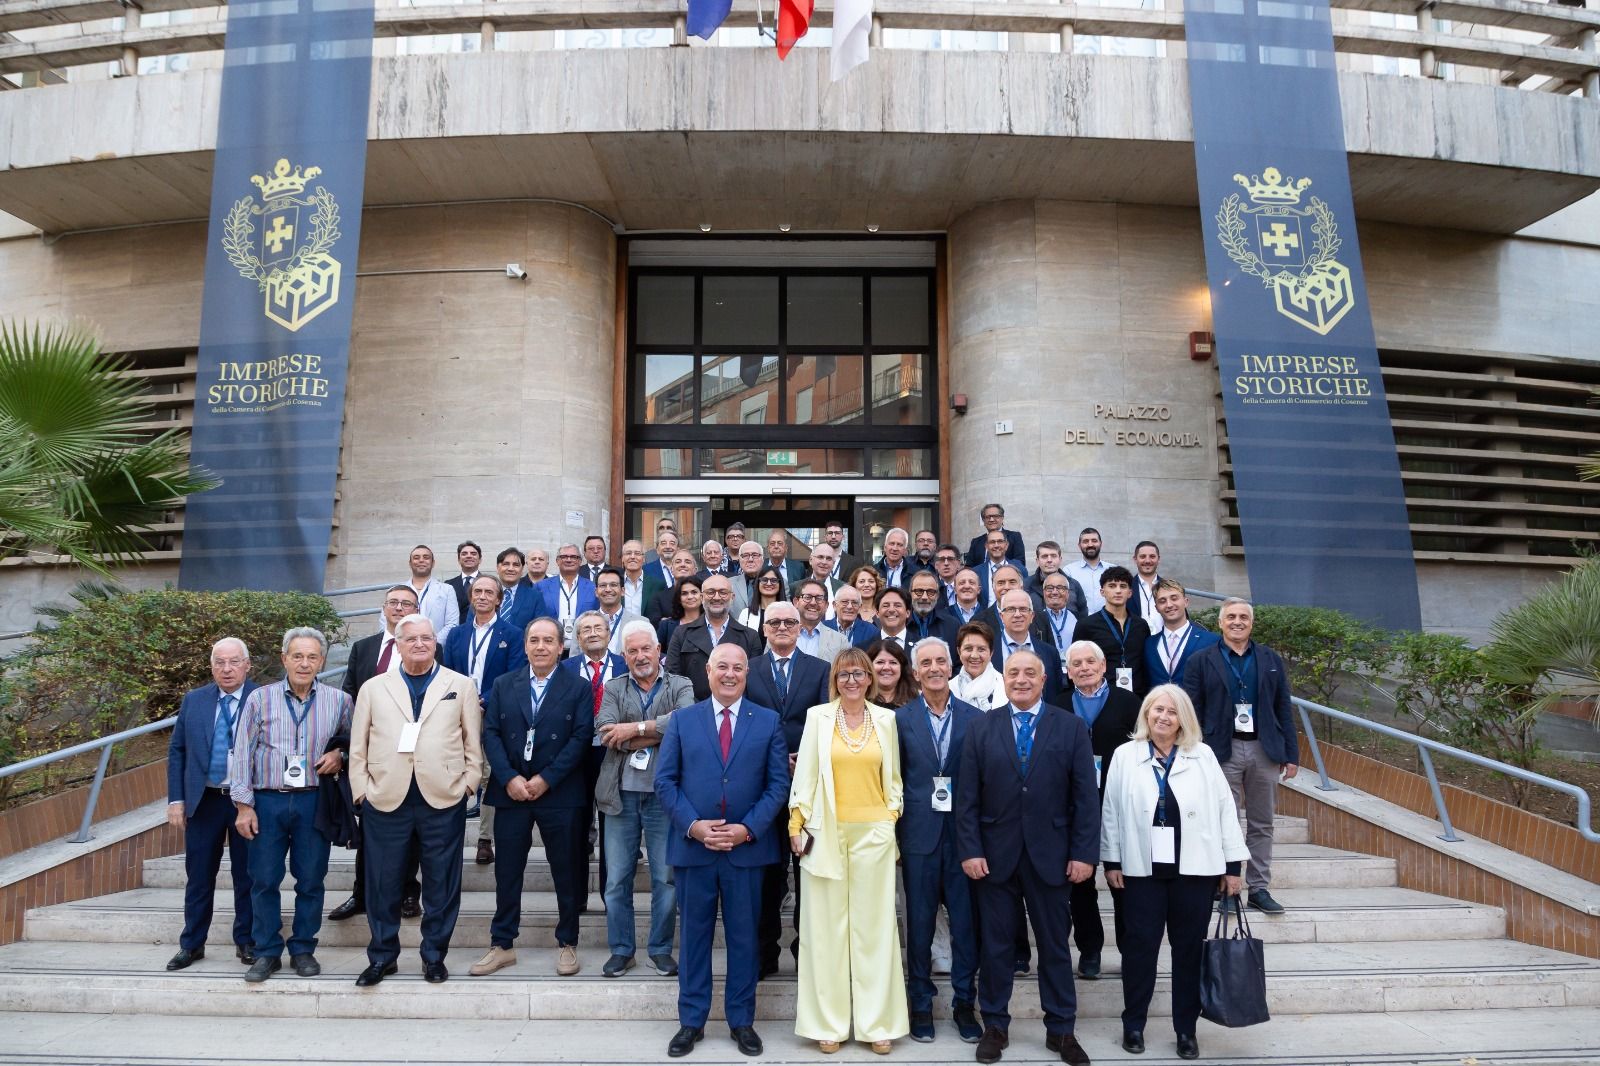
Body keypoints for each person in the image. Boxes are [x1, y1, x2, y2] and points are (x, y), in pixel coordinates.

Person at [956, 650, 1099, 1066]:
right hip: (994, 859)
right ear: (1005, 680)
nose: (1021, 680)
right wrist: (971, 850)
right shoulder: (981, 728)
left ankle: (1061, 1031)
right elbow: (966, 798)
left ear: (1044, 680)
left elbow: (1085, 799)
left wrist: (1084, 854)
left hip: (1052, 858)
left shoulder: (1070, 727)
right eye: (1014, 673)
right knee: (997, 947)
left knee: (1055, 946)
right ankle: (995, 1026)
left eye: (1029, 674)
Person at [655, 644, 790, 1059]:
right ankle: (691, 1022)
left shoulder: (767, 721)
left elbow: (778, 785)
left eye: (738, 668)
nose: (729, 675)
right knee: (694, 938)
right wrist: (694, 826)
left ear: (746, 673)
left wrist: (747, 829)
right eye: (722, 667)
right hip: (695, 849)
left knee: (744, 939)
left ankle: (741, 1021)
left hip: (745, 851)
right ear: (708, 671)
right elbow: (665, 782)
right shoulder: (683, 720)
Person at [1102, 685, 1247, 1060]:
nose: (1163, 717)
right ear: (1146, 714)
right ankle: (1133, 1024)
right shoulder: (1124, 754)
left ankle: (1186, 1029)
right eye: (1156, 710)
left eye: (1171, 711)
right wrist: (1112, 860)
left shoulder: (1202, 755)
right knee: (1139, 951)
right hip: (1141, 871)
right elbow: (1111, 811)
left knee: (1188, 954)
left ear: (1183, 718)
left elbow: (1224, 810)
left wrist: (1232, 867)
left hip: (1195, 872)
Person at [349, 614, 483, 986]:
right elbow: (357, 745)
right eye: (412, 639)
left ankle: (434, 955)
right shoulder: (374, 687)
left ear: (435, 642)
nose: (420, 644)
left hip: (442, 797)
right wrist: (361, 788)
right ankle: (382, 956)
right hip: (386, 796)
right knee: (382, 882)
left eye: (426, 638)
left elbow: (474, 741)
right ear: (399, 642)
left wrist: (469, 783)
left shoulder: (460, 685)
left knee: (442, 882)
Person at [788, 648, 908, 1055]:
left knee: (875, 931)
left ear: (871, 679)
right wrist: (795, 823)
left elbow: (893, 779)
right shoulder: (817, 717)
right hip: (825, 833)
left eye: (859, 674)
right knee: (824, 932)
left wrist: (890, 817)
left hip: (873, 835)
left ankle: (878, 1023)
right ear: (835, 679)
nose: (852, 681)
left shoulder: (887, 720)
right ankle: (829, 1023)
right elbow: (804, 774)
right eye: (844, 674)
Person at [229, 627, 352, 983]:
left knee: (311, 878)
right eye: (297, 655)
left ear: (322, 662)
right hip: (267, 801)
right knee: (264, 879)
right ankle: (266, 951)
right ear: (284, 658)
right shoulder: (259, 699)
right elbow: (241, 754)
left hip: (315, 801)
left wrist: (339, 755)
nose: (304, 663)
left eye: (312, 656)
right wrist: (243, 806)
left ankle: (302, 949)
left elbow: (356, 741)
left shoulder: (339, 701)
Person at [473, 617, 593, 979]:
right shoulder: (503, 683)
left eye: (548, 641)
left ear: (561, 647)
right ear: (525, 646)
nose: (541, 647)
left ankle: (567, 942)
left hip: (560, 791)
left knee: (566, 870)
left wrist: (546, 778)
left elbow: (581, 736)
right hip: (511, 792)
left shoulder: (578, 686)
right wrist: (508, 778)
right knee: (508, 871)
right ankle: (502, 944)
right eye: (534, 640)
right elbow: (490, 732)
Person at [1182, 597, 1298, 916]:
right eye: (1230, 616)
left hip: (1264, 748)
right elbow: (1191, 709)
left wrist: (1291, 754)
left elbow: (1282, 709)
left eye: (1243, 617)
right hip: (1222, 750)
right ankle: (1227, 888)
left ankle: (1259, 888)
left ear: (1251, 623)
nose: (1237, 621)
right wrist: (1195, 750)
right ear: (1220, 623)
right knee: (1225, 821)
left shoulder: (1270, 659)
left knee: (1262, 822)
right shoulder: (1201, 660)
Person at [594, 620, 697, 978]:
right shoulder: (613, 687)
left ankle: (659, 949)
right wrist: (657, 733)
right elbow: (605, 731)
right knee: (615, 880)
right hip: (619, 796)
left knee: (664, 879)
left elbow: (686, 723)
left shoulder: (681, 684)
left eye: (646, 649)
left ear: (658, 651)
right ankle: (621, 950)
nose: (640, 656)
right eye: (633, 651)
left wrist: (634, 730)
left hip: (664, 798)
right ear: (625, 656)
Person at [897, 638, 984, 1045]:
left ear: (951, 667)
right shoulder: (899, 720)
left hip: (964, 839)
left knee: (966, 926)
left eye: (940, 661)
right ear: (915, 672)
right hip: (918, 837)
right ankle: (920, 1002)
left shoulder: (976, 718)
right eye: (925, 662)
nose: (934, 668)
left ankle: (965, 1003)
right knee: (919, 925)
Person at [743, 601, 832, 978]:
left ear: (801, 628)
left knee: (807, 874)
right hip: (762, 786)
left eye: (789, 622)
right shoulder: (749, 669)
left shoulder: (820, 669)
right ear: (764, 628)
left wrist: (804, 759)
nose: (781, 627)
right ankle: (765, 954)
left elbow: (827, 721)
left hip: (808, 788)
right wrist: (777, 759)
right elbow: (744, 721)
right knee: (767, 876)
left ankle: (805, 952)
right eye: (774, 622)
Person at [165, 637, 260, 970]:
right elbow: (177, 750)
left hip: (246, 802)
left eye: (234, 662)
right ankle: (192, 943)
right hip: (204, 800)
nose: (227, 669)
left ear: (248, 665)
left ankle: (247, 940)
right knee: (199, 875)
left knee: (247, 875)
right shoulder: (195, 700)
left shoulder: (263, 698)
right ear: (211, 666)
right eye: (219, 662)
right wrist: (177, 799)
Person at [331, 585, 422, 923]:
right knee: (370, 827)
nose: (399, 608)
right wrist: (346, 746)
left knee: (412, 829)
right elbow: (349, 696)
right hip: (372, 751)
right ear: (384, 608)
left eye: (406, 603)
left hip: (414, 752)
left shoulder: (430, 647)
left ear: (416, 609)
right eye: (393, 602)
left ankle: (409, 894)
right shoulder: (364, 648)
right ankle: (361, 894)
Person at [1060, 640, 1139, 983]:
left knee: (1124, 880)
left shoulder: (1129, 702)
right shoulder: (1059, 705)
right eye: (1075, 663)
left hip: (1119, 802)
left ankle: (1130, 949)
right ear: (1068, 671)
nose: (1083, 668)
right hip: (1073, 806)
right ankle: (1089, 949)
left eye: (1089, 662)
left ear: (1103, 665)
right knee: (1079, 882)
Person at [441, 575, 528, 865]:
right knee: (455, 769)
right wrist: (463, 699)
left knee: (490, 773)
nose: (482, 596)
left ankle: (484, 838)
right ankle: (449, 834)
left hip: (494, 712)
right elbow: (448, 673)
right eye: (477, 591)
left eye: (489, 592)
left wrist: (484, 699)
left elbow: (514, 673)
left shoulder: (513, 634)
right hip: (456, 712)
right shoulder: (456, 635)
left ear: (499, 599)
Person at [563, 609, 629, 908]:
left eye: (598, 628)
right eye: (585, 629)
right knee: (576, 828)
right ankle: (575, 898)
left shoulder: (624, 665)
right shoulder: (565, 668)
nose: (592, 633)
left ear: (608, 633)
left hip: (612, 753)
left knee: (612, 829)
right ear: (578, 637)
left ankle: (609, 895)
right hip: (575, 757)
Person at [665, 574, 763, 701]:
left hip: (735, 711)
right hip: (692, 709)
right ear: (701, 597)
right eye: (710, 592)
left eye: (723, 592)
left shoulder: (750, 636)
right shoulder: (681, 633)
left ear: (732, 597)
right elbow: (672, 678)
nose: (716, 597)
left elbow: (753, 682)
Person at [1075, 566, 1152, 699]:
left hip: (1138, 696)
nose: (1118, 591)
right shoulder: (1086, 625)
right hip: (1101, 696)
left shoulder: (1141, 625)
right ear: (1102, 591)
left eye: (1123, 586)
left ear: (1130, 593)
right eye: (1112, 586)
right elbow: (1077, 663)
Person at [990, 588, 1067, 706]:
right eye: (1011, 609)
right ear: (1001, 616)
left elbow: (1056, 693)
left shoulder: (1050, 653)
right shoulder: (988, 651)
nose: (1017, 614)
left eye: (1023, 609)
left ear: (1032, 616)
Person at [1144, 579, 1218, 688]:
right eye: (1162, 601)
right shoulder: (1149, 644)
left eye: (1174, 598)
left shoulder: (1212, 641)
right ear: (1157, 608)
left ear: (1186, 601)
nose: (1169, 605)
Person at [539, 544, 600, 654]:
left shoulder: (592, 587)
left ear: (580, 561)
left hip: (582, 648)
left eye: (573, 557)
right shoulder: (541, 587)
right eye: (564, 557)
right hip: (551, 647)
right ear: (557, 561)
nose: (569, 560)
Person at [404, 544, 461, 641]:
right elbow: (386, 623)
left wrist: (432, 644)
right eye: (416, 558)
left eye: (426, 557)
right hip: (402, 650)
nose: (421, 560)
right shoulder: (396, 590)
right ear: (410, 563)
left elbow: (452, 624)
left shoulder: (447, 590)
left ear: (433, 563)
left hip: (436, 650)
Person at [1026, 541, 1089, 619]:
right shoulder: (1026, 585)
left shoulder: (1073, 584)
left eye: (1053, 556)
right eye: (1044, 556)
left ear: (1060, 559)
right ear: (1037, 561)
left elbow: (1083, 614)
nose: (1049, 560)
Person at [951, 622, 1005, 712]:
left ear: (991, 653)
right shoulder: (949, 689)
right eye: (968, 648)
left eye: (981, 649)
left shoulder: (1005, 686)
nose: (974, 655)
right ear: (959, 651)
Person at [793, 577, 848, 664]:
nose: (813, 603)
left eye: (819, 598)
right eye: (807, 597)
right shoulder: (779, 635)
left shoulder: (841, 641)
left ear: (826, 605)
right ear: (796, 602)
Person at [594, 566, 644, 656]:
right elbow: (574, 661)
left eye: (613, 585)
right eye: (603, 585)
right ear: (596, 592)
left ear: (622, 591)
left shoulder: (641, 623)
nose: (608, 589)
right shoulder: (582, 622)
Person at [907, 570, 960, 649]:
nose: (924, 597)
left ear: (937, 595)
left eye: (930, 592)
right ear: (910, 594)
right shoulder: (899, 625)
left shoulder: (952, 626)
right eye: (919, 591)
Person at [1038, 572, 1081, 667]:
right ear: (1044, 592)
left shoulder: (1079, 619)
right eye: (1049, 588)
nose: (1054, 592)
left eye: (1060, 588)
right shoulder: (1034, 620)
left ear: (1068, 593)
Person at [1064, 529, 1110, 615]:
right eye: (1085, 541)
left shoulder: (1113, 569)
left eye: (1094, 541)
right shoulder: (1069, 571)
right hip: (1080, 623)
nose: (1090, 544)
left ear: (1101, 543)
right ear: (1079, 545)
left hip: (1110, 623)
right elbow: (1068, 601)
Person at [963, 503, 1026, 567]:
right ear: (983, 521)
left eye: (995, 516)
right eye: (988, 517)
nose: (991, 519)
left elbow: (1020, 562)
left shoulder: (1014, 537)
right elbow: (969, 566)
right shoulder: (976, 542)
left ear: (1002, 518)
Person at [494, 548, 539, 634]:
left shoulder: (535, 597)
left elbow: (540, 629)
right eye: (506, 564)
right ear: (497, 568)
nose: (510, 569)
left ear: (522, 570)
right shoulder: (484, 594)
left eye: (516, 565)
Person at [976, 529, 1027, 607]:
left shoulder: (1020, 569)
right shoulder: (977, 572)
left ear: (1006, 545)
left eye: (1000, 541)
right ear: (986, 546)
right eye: (992, 542)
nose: (996, 545)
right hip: (986, 617)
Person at [866, 636, 918, 709]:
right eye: (880, 662)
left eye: (893, 663)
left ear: (902, 667)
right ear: (869, 666)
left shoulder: (917, 701)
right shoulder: (859, 700)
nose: (886, 667)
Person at [652, 550, 702, 625]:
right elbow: (656, 624)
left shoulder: (704, 594)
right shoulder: (659, 598)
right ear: (671, 569)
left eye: (687, 562)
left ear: (695, 570)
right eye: (678, 562)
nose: (682, 565)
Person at [736, 563, 787, 636]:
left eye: (773, 580)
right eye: (764, 580)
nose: (769, 584)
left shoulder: (789, 613)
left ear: (780, 584)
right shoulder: (746, 614)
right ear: (758, 584)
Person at [657, 574, 703, 650]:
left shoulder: (712, 623)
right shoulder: (666, 625)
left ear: (702, 596)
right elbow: (656, 651)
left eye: (694, 592)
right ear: (679, 599)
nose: (690, 597)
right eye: (684, 593)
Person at [445, 540, 483, 620]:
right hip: (455, 630)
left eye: (473, 554)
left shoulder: (489, 583)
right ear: (459, 560)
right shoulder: (448, 585)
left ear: (480, 560)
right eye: (464, 554)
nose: (469, 556)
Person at [730, 541, 768, 618]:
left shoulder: (776, 583)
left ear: (762, 559)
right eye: (745, 555)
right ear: (739, 560)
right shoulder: (729, 583)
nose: (750, 559)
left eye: (755, 555)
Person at [1129, 541, 1164, 623]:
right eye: (1142, 556)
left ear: (1158, 559)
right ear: (1135, 559)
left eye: (1152, 556)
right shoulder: (1126, 587)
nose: (1147, 561)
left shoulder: (1170, 587)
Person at [872, 586, 914, 652]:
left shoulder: (922, 646)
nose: (891, 610)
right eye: (885, 606)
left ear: (908, 613)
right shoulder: (864, 648)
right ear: (877, 613)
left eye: (897, 605)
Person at [620, 539, 649, 617]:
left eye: (637, 553)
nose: (632, 557)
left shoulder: (656, 585)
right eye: (628, 553)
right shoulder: (615, 584)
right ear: (622, 558)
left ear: (644, 558)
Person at [931, 544, 964, 609]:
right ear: (936, 565)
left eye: (950, 559)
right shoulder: (930, 588)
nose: (946, 563)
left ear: (958, 564)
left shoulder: (966, 586)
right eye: (942, 559)